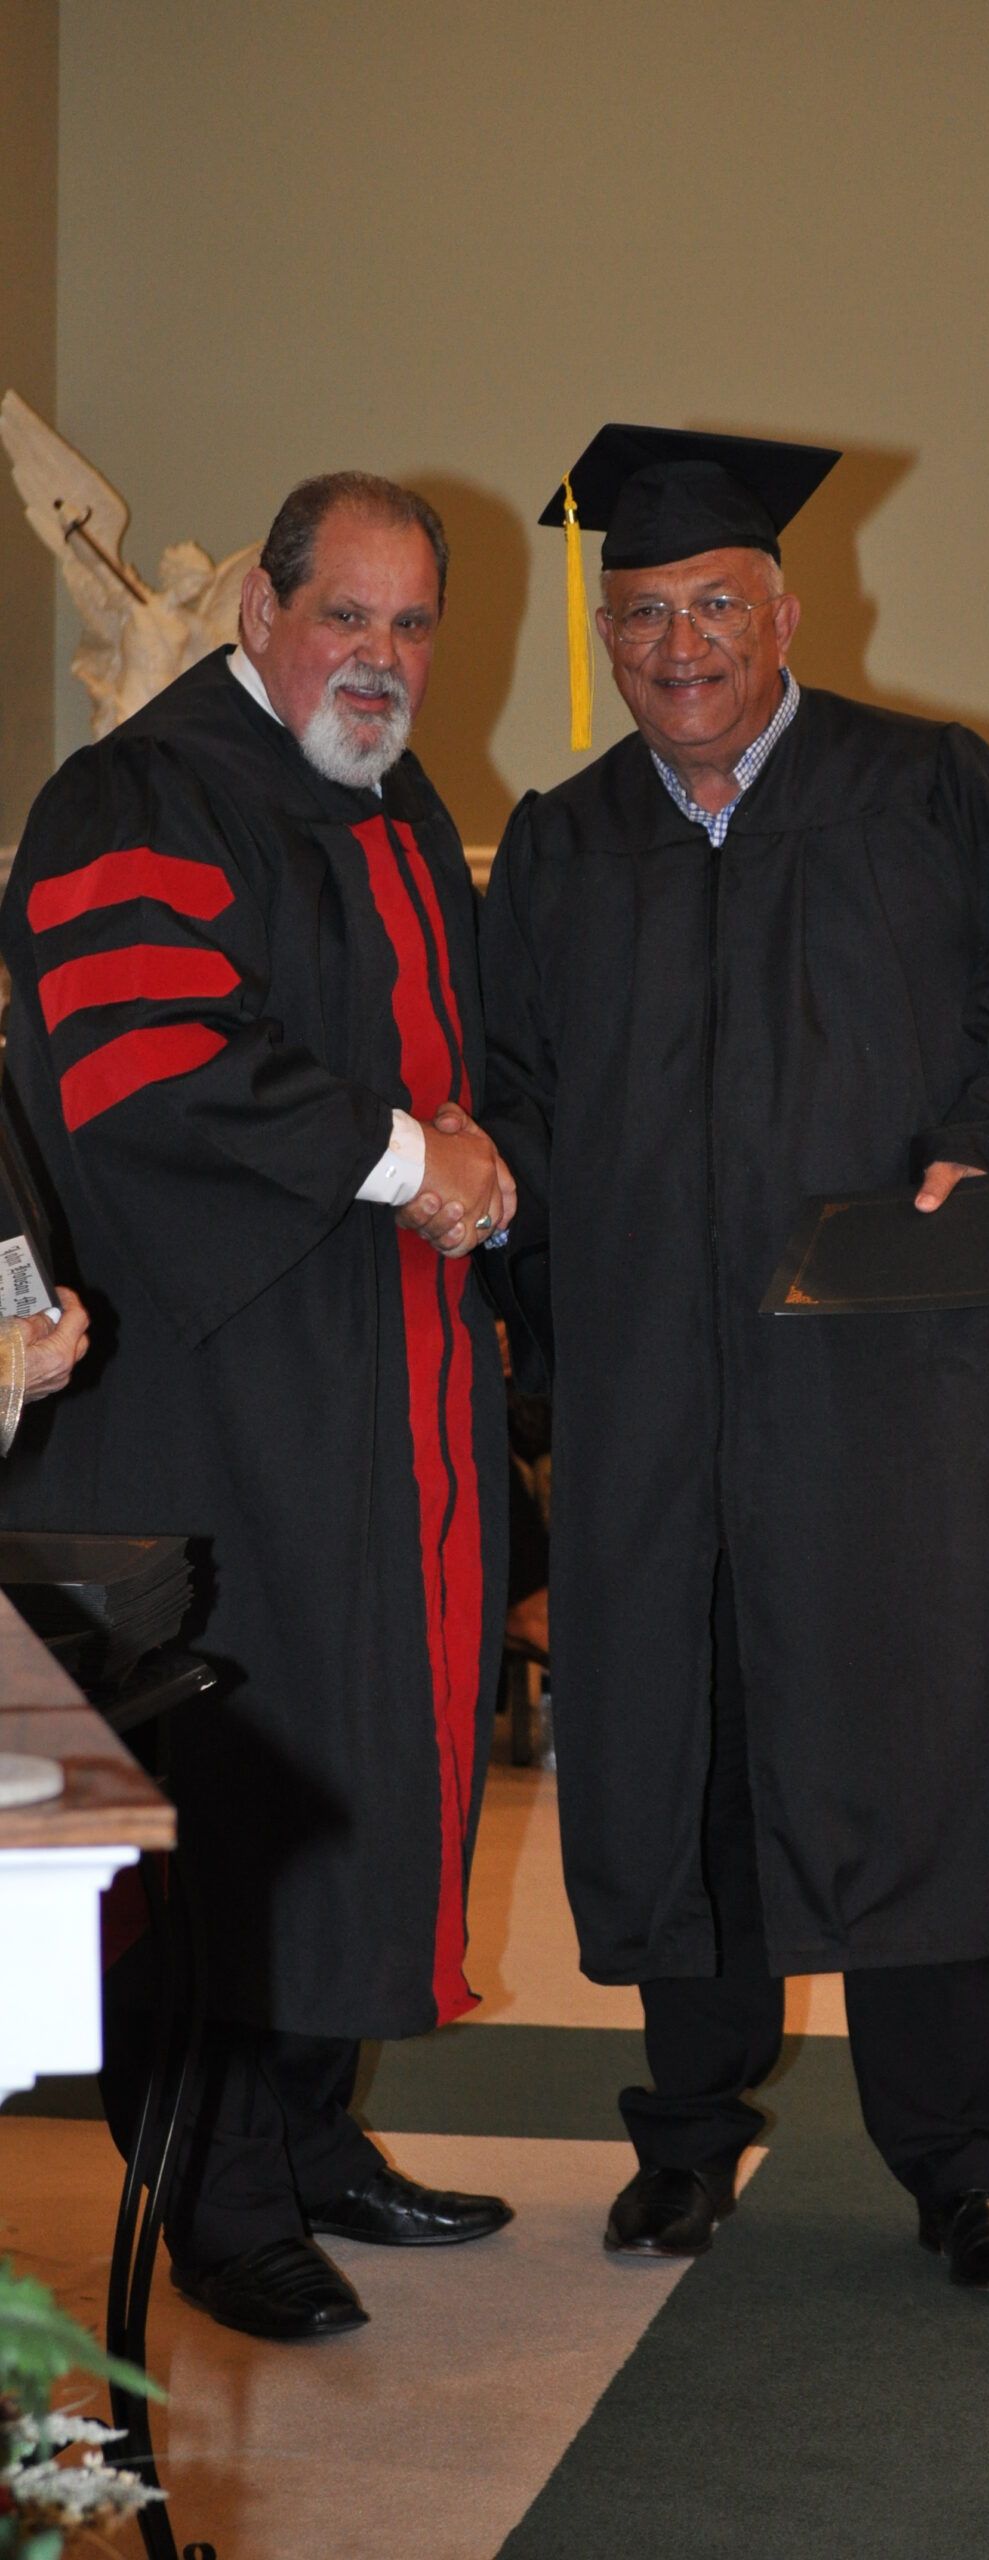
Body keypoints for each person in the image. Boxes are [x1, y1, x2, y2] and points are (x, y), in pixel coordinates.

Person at [478, 425, 989, 2293]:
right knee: (680, 1753)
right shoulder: (563, 839)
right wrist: (497, 1204)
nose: (677, 646)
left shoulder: (928, 790)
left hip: (887, 1394)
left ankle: (959, 2167)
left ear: (786, 609)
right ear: (607, 638)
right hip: (654, 1400)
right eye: (639, 616)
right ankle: (687, 2137)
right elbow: (512, 1087)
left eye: (710, 606)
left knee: (918, 1751)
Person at [0, 473, 517, 2343]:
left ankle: (311, 2143)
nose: (378, 659)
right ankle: (209, 2197)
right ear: (259, 612)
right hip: (211, 1396)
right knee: (234, 1781)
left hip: (377, 1385)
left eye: (411, 626)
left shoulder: (383, 793)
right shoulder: (134, 794)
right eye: (345, 617)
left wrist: (486, 1170)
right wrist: (410, 1161)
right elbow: (151, 1067)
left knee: (365, 1753)